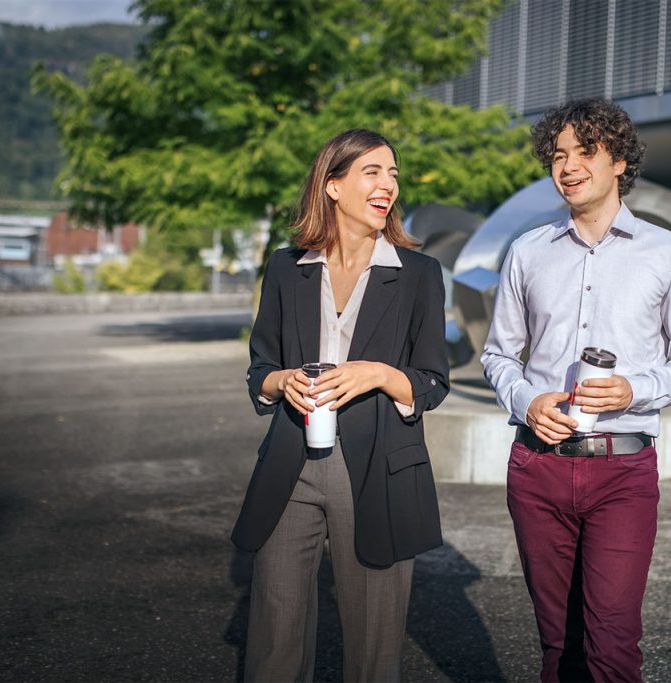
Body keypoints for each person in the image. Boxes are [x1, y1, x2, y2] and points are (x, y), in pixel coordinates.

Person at [481, 99, 671, 682]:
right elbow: (498, 354)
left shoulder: (669, 252)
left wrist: (634, 389)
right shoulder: (528, 251)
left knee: (612, 645)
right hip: (537, 469)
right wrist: (525, 400)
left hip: (622, 473)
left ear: (619, 162)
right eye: (558, 155)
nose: (568, 165)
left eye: (586, 151)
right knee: (558, 644)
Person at [231, 129, 449, 682]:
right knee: (274, 639)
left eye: (393, 173)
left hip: (378, 469)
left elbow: (432, 382)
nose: (388, 185)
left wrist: (377, 373)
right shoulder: (286, 267)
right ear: (333, 185)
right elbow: (260, 369)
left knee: (374, 650)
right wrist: (282, 382)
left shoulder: (419, 275)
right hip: (290, 465)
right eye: (372, 172)